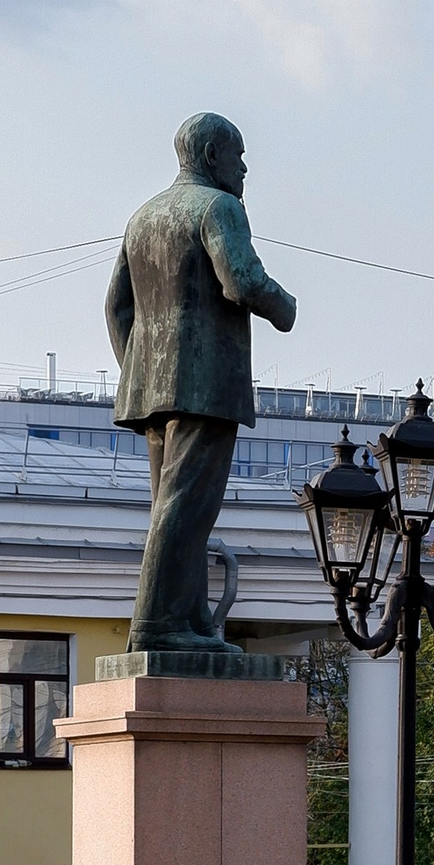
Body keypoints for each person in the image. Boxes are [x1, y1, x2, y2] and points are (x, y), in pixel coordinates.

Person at [105, 113, 297, 649]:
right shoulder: (220, 207)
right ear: (213, 155)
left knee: (176, 510)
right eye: (238, 157)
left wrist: (140, 372)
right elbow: (241, 281)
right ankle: (155, 627)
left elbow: (116, 308)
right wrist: (285, 308)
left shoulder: (142, 217)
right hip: (207, 385)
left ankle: (186, 621)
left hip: (153, 392)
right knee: (186, 508)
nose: (245, 168)